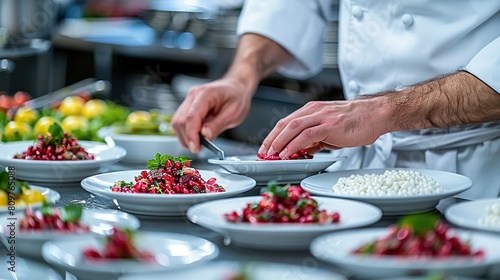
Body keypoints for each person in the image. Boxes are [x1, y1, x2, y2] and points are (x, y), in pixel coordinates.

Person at [171, 0, 500, 199]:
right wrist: (240, 78)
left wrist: (384, 110)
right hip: (360, 174)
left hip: (478, 172)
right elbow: (289, 6)